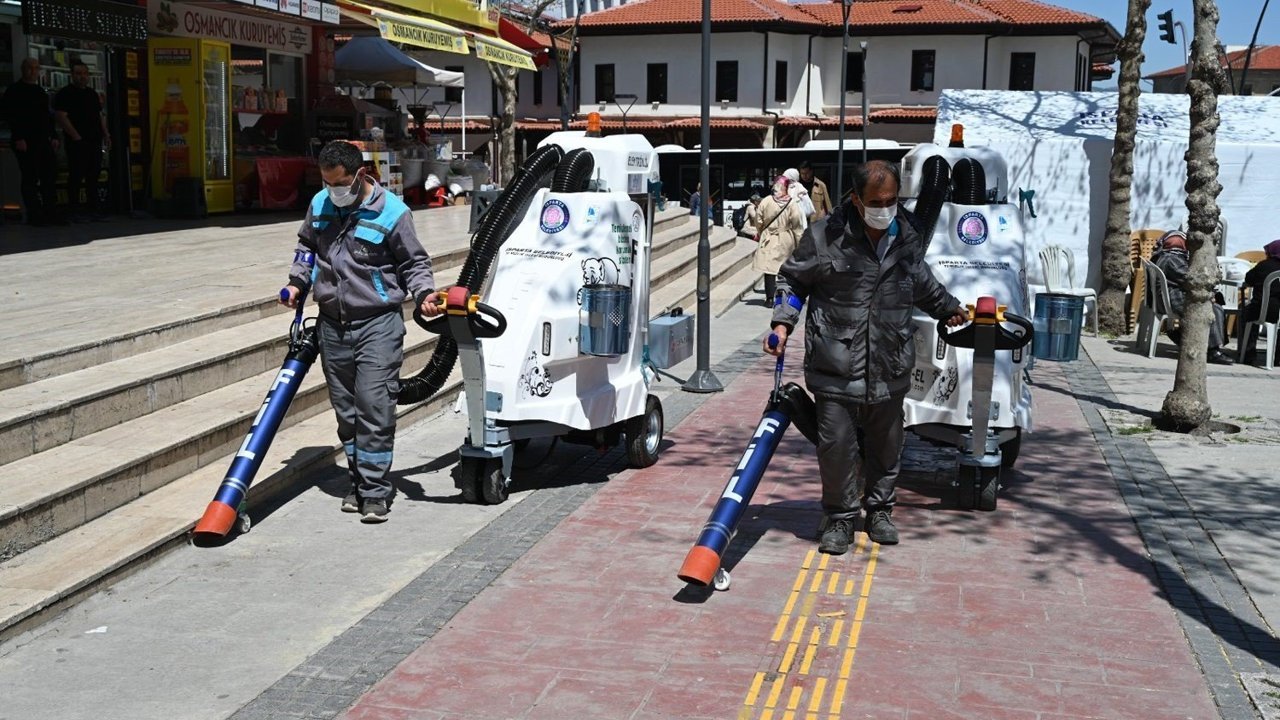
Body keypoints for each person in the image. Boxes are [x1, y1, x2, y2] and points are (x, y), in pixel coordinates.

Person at [765, 160, 966, 551]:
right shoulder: (825, 236)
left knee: (887, 445)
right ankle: (840, 518)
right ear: (856, 199)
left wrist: (949, 307)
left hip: (890, 360)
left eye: (891, 200)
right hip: (836, 362)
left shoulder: (906, 234)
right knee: (836, 448)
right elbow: (793, 280)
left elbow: (920, 280)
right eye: (876, 202)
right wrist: (782, 324)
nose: (885, 208)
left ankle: (879, 511)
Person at [281, 141, 439, 523]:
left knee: (374, 407)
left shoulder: (393, 212)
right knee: (347, 413)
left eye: (340, 184)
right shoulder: (320, 204)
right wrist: (297, 282)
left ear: (361, 175)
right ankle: (358, 481)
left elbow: (414, 263)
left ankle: (374, 491)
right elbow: (307, 246)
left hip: (377, 324)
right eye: (327, 183)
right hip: (332, 326)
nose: (333, 191)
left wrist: (423, 294)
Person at [1151, 231, 1234, 365]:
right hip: (1175, 301)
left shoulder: (1162, 256)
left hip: (1164, 301)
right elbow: (1191, 280)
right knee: (1214, 309)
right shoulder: (1173, 260)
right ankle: (1212, 350)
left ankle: (1181, 336)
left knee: (1214, 305)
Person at [4, 57, 63, 226]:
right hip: (25, 140)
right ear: (23, 69)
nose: (33, 71)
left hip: (42, 139)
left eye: (36, 68)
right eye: (29, 68)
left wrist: (53, 135)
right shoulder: (14, 91)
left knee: (49, 175)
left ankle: (50, 212)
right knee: (30, 176)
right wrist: (19, 137)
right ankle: (34, 214)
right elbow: (11, 116)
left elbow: (46, 116)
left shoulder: (40, 92)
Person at [54, 61, 110, 221]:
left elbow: (99, 116)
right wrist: (76, 136)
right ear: (72, 75)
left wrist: (106, 134)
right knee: (76, 175)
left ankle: (93, 208)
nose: (82, 77)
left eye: (85, 73)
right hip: (77, 141)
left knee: (93, 175)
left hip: (94, 140)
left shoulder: (92, 94)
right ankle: (73, 209)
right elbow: (61, 117)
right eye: (78, 74)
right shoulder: (65, 94)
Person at [752, 176, 807, 305]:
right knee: (785, 269)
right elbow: (797, 224)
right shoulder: (791, 203)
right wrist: (799, 242)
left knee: (769, 269)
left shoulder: (766, 201)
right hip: (786, 238)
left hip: (769, 238)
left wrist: (762, 232)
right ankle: (784, 296)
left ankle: (770, 299)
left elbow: (758, 220)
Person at [1240, 239, 1280, 364]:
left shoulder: (1263, 265)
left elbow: (1248, 279)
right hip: (1278, 312)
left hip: (1261, 310)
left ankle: (1248, 354)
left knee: (1246, 312)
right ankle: (1277, 357)